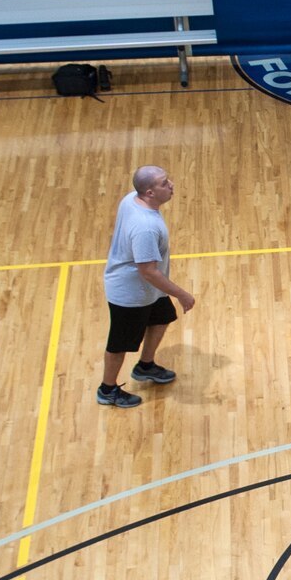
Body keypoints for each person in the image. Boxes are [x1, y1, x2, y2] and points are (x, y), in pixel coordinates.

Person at [100, 165, 196, 409]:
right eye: (165, 183)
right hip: (131, 294)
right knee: (120, 344)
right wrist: (181, 294)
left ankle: (145, 366)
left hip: (147, 290)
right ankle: (107, 389)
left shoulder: (131, 198)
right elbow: (148, 271)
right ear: (150, 192)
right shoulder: (145, 227)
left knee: (162, 318)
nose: (171, 184)